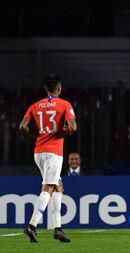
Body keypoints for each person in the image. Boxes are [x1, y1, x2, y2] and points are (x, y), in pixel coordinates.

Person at [19, 74, 77, 243]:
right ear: (59, 88)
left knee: (58, 186)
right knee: (49, 187)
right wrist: (64, 131)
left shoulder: (35, 106)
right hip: (54, 152)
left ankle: (58, 228)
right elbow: (73, 127)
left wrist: (35, 133)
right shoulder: (65, 104)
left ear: (45, 88)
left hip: (39, 151)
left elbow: (23, 126)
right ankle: (32, 225)